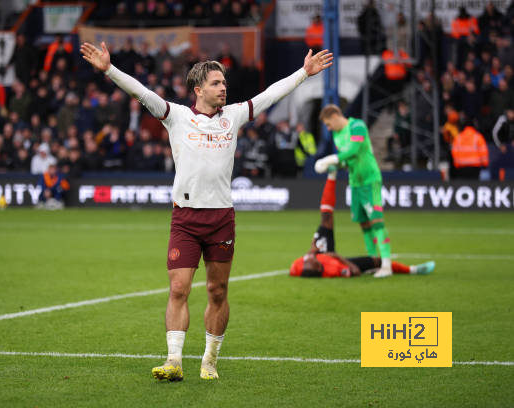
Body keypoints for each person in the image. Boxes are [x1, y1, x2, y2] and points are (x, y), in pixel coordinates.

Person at [80, 40, 333, 381]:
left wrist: (303, 73)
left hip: (220, 219)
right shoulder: (177, 117)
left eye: (224, 83)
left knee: (217, 292)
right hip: (185, 218)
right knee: (178, 289)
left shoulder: (234, 116)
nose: (223, 88)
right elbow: (141, 92)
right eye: (216, 83)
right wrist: (109, 69)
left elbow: (271, 94)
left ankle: (210, 360)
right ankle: (173, 360)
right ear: (198, 89)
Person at [289, 173, 435, 278]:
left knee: (326, 218)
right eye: (316, 263)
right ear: (320, 269)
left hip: (323, 251)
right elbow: (354, 271)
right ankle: (412, 270)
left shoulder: (298, 266)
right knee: (375, 261)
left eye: (311, 260)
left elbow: (303, 261)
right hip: (335, 258)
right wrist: (336, 257)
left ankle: (331, 175)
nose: (313, 259)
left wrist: (312, 252)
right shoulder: (332, 269)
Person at [315, 104, 393, 278]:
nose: (328, 128)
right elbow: (346, 161)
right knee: (364, 223)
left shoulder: (357, 126)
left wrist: (331, 158)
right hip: (355, 183)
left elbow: (354, 151)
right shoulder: (337, 135)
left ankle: (387, 264)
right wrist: (334, 165)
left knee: (376, 221)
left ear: (335, 116)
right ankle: (375, 261)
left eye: (328, 124)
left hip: (369, 180)